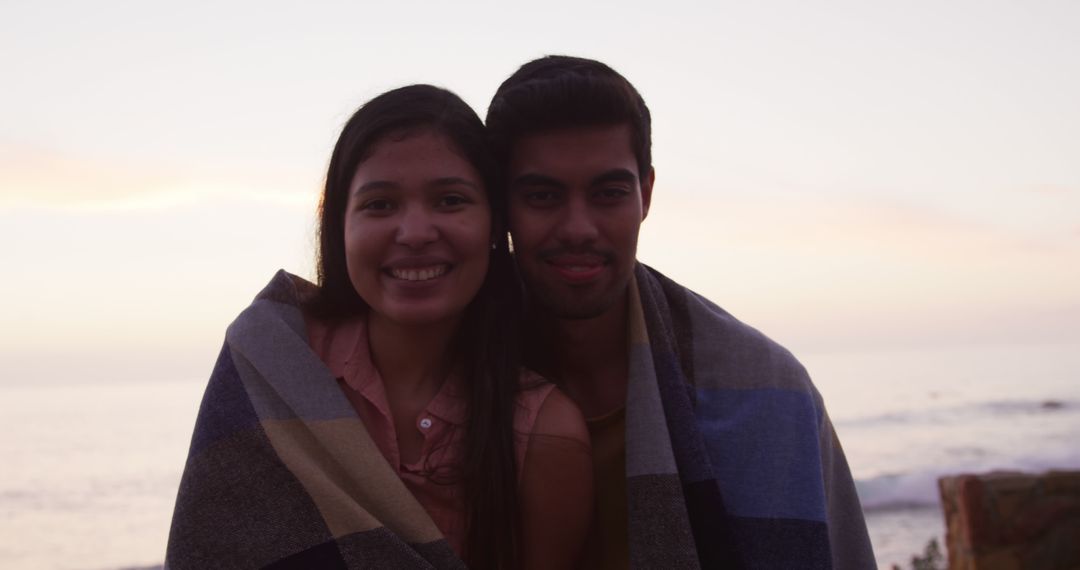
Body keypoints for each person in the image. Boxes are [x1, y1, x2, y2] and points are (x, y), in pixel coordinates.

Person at [166, 85, 592, 570]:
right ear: (339, 225)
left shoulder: (544, 433)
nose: (414, 233)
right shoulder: (275, 360)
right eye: (380, 205)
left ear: (496, 225)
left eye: (450, 200)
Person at [485, 56, 876, 569]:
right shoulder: (432, 378)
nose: (578, 227)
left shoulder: (769, 393)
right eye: (543, 195)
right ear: (500, 205)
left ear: (645, 194)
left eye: (609, 194)